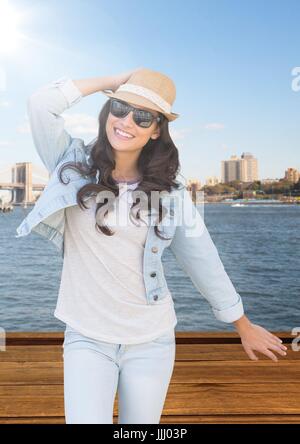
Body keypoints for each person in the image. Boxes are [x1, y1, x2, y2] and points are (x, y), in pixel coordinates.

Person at [16, 67, 287, 424]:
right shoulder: (72, 163)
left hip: (151, 340)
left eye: (142, 116)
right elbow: (41, 104)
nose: (126, 121)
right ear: (107, 112)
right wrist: (110, 82)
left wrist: (242, 324)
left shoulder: (170, 192)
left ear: (157, 129)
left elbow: (202, 258)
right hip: (86, 336)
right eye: (119, 108)